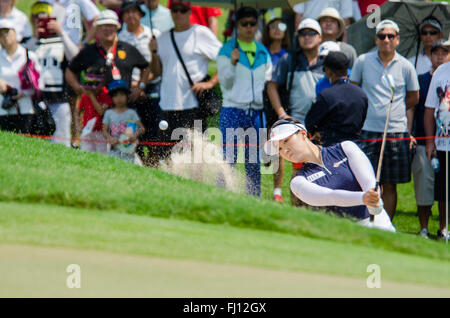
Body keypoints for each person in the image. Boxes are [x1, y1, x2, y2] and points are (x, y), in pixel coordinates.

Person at [264, 118, 396, 232]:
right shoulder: (298, 182)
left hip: (380, 224)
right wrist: (364, 198)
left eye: (286, 140)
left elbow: (369, 182)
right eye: (279, 148)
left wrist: (373, 196)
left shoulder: (346, 148)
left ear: (303, 134)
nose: (285, 150)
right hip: (346, 234)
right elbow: (330, 197)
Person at [350, 20, 419, 221]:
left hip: (396, 131)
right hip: (368, 129)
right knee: (367, 181)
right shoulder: (363, 61)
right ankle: (368, 220)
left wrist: (397, 109)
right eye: (382, 36)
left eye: (390, 36)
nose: (386, 40)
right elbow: (354, 90)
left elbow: (414, 97)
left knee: (390, 183)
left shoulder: (406, 65)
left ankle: (386, 225)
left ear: (397, 39)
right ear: (376, 39)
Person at [149, 0, 222, 162]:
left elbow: (224, 60)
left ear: (189, 12)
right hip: (167, 105)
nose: (179, 14)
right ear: (171, 12)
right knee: (165, 156)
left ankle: (196, 186)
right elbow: (156, 72)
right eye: (175, 10)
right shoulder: (162, 38)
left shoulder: (200, 33)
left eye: (183, 10)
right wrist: (153, 53)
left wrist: (210, 83)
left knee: (195, 156)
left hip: (192, 106)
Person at [267, 18, 324, 205]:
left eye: (311, 33)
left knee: (317, 172)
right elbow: (272, 86)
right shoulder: (289, 59)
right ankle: (296, 211)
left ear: (320, 37)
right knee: (298, 173)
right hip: (295, 124)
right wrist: (282, 113)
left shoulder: (326, 61)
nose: (307, 37)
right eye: (303, 33)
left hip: (321, 126)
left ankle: (315, 211)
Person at [217, 6, 272, 197]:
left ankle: (253, 199)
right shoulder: (226, 50)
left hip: (255, 113)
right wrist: (232, 63)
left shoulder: (263, 51)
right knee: (228, 158)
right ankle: (222, 195)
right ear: (237, 25)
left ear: (257, 25)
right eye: (244, 24)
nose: (249, 27)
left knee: (253, 161)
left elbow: (267, 81)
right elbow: (225, 82)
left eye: (252, 23)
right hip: (232, 110)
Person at [66, 10, 150, 104]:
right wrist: (80, 89)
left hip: (124, 107)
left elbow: (146, 67)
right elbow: (70, 71)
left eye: (111, 26)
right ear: (97, 29)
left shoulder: (127, 49)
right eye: (104, 26)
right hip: (96, 107)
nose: (107, 29)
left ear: (117, 28)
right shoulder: (88, 51)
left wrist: (140, 87)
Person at [29, 1, 80, 148]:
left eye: (46, 18)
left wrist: (61, 31)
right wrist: (35, 35)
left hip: (59, 98)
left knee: (61, 140)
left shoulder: (61, 40)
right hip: (37, 100)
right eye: (38, 18)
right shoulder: (34, 41)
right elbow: (24, 57)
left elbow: (75, 58)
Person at [412, 39, 449, 239]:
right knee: (435, 186)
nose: (442, 55)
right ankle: (426, 227)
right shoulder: (436, 75)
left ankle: (444, 228)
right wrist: (429, 141)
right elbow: (427, 110)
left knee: (447, 188)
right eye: (438, 51)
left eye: (447, 51)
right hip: (437, 140)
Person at [118, 0, 162, 166]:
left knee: (152, 138)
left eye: (134, 11)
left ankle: (154, 167)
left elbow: (157, 70)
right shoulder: (119, 38)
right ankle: (139, 166)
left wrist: (154, 52)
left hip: (150, 89)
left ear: (141, 15)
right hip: (128, 91)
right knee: (131, 138)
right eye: (127, 12)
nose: (131, 15)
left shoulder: (153, 34)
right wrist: (133, 87)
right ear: (122, 16)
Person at [305, 51, 368, 146]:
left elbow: (310, 122)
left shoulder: (326, 95)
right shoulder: (361, 94)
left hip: (331, 148)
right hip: (355, 147)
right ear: (347, 71)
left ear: (329, 72)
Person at [424, 35, 450, 240]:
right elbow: (429, 109)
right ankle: (443, 228)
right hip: (442, 141)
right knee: (443, 190)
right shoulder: (441, 72)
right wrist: (430, 141)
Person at [262, 17, 290, 202]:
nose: (277, 30)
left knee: (277, 147)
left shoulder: (288, 56)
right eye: (273, 26)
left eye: (281, 26)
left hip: (279, 100)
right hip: (259, 100)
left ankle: (277, 191)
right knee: (264, 147)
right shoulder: (261, 52)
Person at [0, 20, 43, 134]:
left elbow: (40, 82)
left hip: (25, 108)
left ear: (15, 33)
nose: (4, 36)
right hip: (3, 110)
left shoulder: (29, 56)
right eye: (1, 34)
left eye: (7, 32)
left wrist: (24, 93)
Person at [102, 80, 145, 162]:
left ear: (127, 96)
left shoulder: (131, 113)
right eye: (115, 95)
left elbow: (141, 128)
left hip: (129, 151)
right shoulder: (108, 113)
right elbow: (104, 131)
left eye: (122, 95)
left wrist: (135, 135)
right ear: (112, 97)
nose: (119, 98)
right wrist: (110, 138)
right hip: (114, 151)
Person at [75, 86, 113, 154]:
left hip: (101, 132)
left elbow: (101, 111)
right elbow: (77, 111)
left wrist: (91, 96)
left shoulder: (105, 93)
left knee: (102, 155)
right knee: (86, 154)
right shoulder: (85, 95)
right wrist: (78, 125)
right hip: (87, 130)